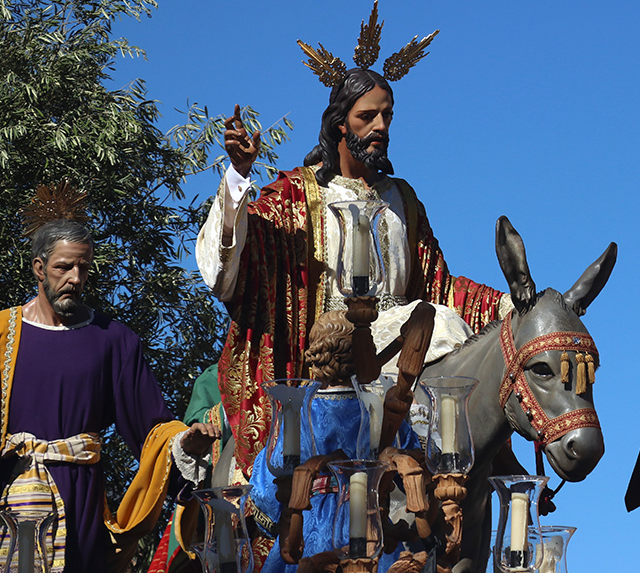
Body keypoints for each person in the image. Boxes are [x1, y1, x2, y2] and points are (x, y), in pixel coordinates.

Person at [195, 67, 511, 482]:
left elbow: (439, 286)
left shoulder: (404, 201)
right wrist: (237, 177)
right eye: (368, 117)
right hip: (329, 356)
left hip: (402, 351)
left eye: (388, 116)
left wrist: (511, 306)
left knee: (450, 338)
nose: (381, 127)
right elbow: (229, 268)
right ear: (339, 123)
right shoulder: (299, 196)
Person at [0, 188, 219, 572]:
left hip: (79, 500)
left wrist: (184, 440)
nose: (75, 278)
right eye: (63, 267)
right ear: (38, 267)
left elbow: (151, 423)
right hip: (9, 492)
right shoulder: (4, 332)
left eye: (83, 268)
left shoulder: (112, 339)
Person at [248, 310, 422, 573]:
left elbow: (266, 482)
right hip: (367, 525)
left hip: (306, 526)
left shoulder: (298, 403)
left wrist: (281, 517)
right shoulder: (378, 404)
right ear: (361, 356)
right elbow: (410, 458)